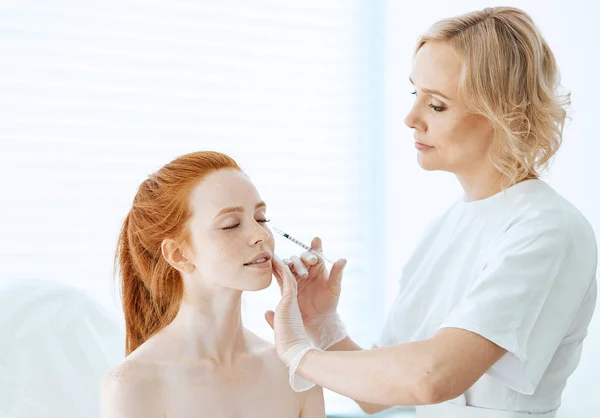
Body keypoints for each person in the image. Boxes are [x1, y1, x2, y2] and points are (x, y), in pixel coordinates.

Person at [266, 6, 598, 418]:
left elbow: (432, 378)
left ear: (505, 113)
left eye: (437, 105)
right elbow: (381, 396)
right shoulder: (445, 228)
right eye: (414, 95)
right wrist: (323, 327)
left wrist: (298, 355)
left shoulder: (548, 230)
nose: (410, 119)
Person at [100, 151, 324, 418]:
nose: (261, 235)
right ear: (179, 255)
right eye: (230, 225)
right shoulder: (133, 385)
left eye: (261, 218)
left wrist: (323, 324)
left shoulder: (296, 370)